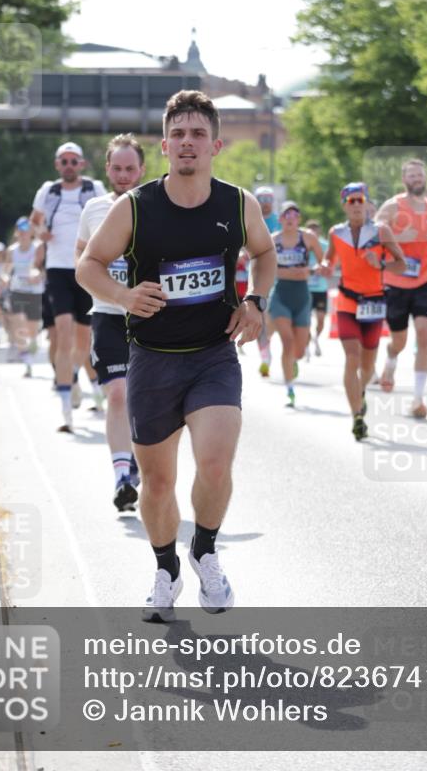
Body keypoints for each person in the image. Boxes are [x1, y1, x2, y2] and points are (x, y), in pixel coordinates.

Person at [77, 90, 276, 621]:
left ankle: (206, 552)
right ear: (165, 145)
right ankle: (165, 569)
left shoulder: (238, 203)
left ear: (216, 145)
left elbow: (264, 252)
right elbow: (89, 265)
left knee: (215, 461)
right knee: (159, 483)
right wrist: (121, 296)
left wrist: (256, 299)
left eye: (198, 134)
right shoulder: (136, 206)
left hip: (213, 355)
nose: (188, 143)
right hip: (154, 359)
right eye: (179, 134)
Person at [75, 134, 146, 511]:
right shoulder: (94, 209)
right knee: (117, 394)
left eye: (129, 168)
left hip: (150, 318)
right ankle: (121, 476)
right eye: (116, 168)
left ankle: (137, 459)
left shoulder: (156, 205)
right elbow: (81, 253)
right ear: (107, 169)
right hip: (106, 314)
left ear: (142, 169)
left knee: (145, 400)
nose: (123, 175)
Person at [30, 142, 105, 431]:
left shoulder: (94, 188)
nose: (69, 165)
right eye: (64, 161)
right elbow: (34, 221)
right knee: (61, 335)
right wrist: (40, 232)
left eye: (74, 161)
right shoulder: (48, 191)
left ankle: (74, 378)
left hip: (85, 269)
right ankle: (65, 413)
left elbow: (108, 217)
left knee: (84, 343)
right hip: (57, 269)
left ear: (82, 164)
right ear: (57, 164)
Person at [322, 183, 406, 439]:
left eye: (360, 200)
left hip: (373, 303)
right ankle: (357, 416)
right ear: (344, 206)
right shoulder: (336, 233)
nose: (356, 205)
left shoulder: (381, 232)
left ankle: (360, 394)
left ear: (368, 204)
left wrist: (380, 263)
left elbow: (402, 265)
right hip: (347, 302)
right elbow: (330, 258)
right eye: (351, 201)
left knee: (368, 368)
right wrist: (325, 266)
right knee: (352, 357)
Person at [377, 159, 427, 417]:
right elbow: (373, 232)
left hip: (426, 279)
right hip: (396, 282)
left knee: (424, 335)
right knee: (399, 340)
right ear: (405, 180)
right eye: (412, 175)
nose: (417, 179)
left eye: (420, 175)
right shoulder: (393, 206)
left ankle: (418, 398)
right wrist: (396, 237)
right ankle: (391, 358)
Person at [268, 201, 323, 407]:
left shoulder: (308, 237)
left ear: (298, 219)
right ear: (280, 219)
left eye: (294, 215)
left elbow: (323, 261)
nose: (290, 218)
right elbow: (264, 267)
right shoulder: (273, 240)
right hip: (281, 295)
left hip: (302, 295)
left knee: (299, 350)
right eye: (286, 215)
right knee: (287, 342)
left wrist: (313, 269)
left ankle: (293, 362)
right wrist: (287, 272)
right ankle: (290, 388)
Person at [4, 217, 45, 377]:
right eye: (20, 230)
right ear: (17, 233)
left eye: (26, 230)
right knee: (17, 325)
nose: (23, 233)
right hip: (17, 291)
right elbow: (6, 270)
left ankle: (33, 342)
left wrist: (37, 276)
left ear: (31, 233)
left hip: (34, 292)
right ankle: (27, 362)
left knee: (31, 329)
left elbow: (42, 269)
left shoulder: (37, 248)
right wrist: (4, 278)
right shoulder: (12, 250)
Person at [254, 185, 279, 376]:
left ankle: (269, 343)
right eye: (261, 200)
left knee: (274, 317)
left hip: (279, 277)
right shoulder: (252, 218)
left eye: (267, 200)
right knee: (258, 315)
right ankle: (265, 355)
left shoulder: (279, 221)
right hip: (257, 275)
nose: (265, 204)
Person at [306, 218, 329, 356]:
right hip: (306, 289)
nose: (314, 233)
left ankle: (316, 338)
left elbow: (331, 263)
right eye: (311, 230)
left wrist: (323, 268)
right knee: (306, 320)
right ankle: (307, 344)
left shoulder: (325, 245)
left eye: (316, 230)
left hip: (320, 288)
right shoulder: (302, 245)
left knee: (321, 320)